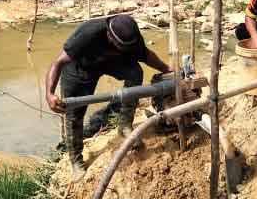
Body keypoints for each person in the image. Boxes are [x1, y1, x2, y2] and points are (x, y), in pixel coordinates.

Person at [45, 14, 169, 175]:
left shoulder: (131, 37)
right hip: (80, 68)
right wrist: (49, 94)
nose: (127, 49)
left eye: (128, 47)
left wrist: (166, 69)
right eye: (122, 46)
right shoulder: (88, 33)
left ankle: (124, 124)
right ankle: (76, 160)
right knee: (74, 112)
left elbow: (146, 56)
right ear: (110, 36)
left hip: (110, 62)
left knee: (135, 72)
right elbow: (58, 62)